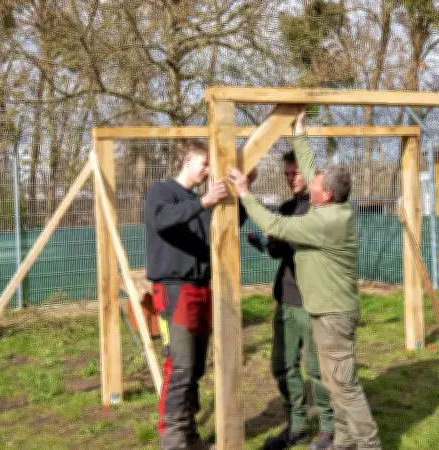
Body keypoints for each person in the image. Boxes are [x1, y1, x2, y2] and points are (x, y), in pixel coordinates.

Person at [227, 109, 382, 450]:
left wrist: (244, 193)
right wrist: (300, 133)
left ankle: (369, 444)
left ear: (325, 194)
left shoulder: (324, 222)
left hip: (332, 314)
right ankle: (342, 441)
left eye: (314, 184)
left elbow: (276, 227)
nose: (308, 182)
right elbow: (313, 171)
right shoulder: (330, 206)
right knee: (332, 379)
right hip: (326, 310)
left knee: (344, 384)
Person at [145, 139, 254, 450]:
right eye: (204, 163)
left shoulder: (199, 199)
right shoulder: (162, 192)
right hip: (173, 288)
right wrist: (204, 202)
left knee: (195, 367)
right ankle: (173, 440)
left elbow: (217, 231)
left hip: (202, 287)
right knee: (179, 366)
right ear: (187, 160)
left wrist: (241, 194)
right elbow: (161, 220)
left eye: (210, 165)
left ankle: (189, 434)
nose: (207, 170)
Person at [252, 151, 335, 450]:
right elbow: (280, 252)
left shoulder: (320, 209)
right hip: (286, 297)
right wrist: (267, 242)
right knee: (282, 365)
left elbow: (300, 239)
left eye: (295, 174)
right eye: (286, 174)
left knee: (315, 369)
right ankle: (297, 424)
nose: (290, 180)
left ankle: (328, 428)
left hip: (312, 301)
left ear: (310, 174)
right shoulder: (287, 207)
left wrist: (278, 233)